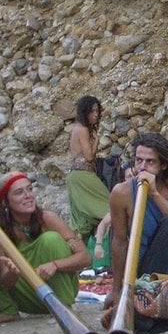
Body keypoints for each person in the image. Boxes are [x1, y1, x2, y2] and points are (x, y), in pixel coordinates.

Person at [101, 133, 168, 326]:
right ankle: (140, 305)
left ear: (163, 165)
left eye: (150, 162)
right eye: (138, 161)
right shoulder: (122, 192)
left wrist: (154, 194)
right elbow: (119, 242)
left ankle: (164, 301)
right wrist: (117, 290)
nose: (142, 167)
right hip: (143, 268)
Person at [0, 171, 90, 323]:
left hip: (54, 289)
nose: (28, 195)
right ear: (5, 202)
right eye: (19, 192)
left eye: (29, 189)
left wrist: (55, 265)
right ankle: (8, 311)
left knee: (51, 239)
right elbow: (6, 281)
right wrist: (11, 274)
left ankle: (64, 307)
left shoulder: (48, 219)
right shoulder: (0, 229)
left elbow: (85, 258)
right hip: (26, 294)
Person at [65, 95, 111, 247]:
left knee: (82, 222)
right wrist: (96, 142)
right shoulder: (83, 129)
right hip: (83, 176)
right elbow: (89, 157)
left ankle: (79, 258)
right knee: (111, 205)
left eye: (97, 111)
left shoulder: (77, 128)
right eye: (92, 111)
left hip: (76, 176)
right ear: (85, 112)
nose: (96, 115)